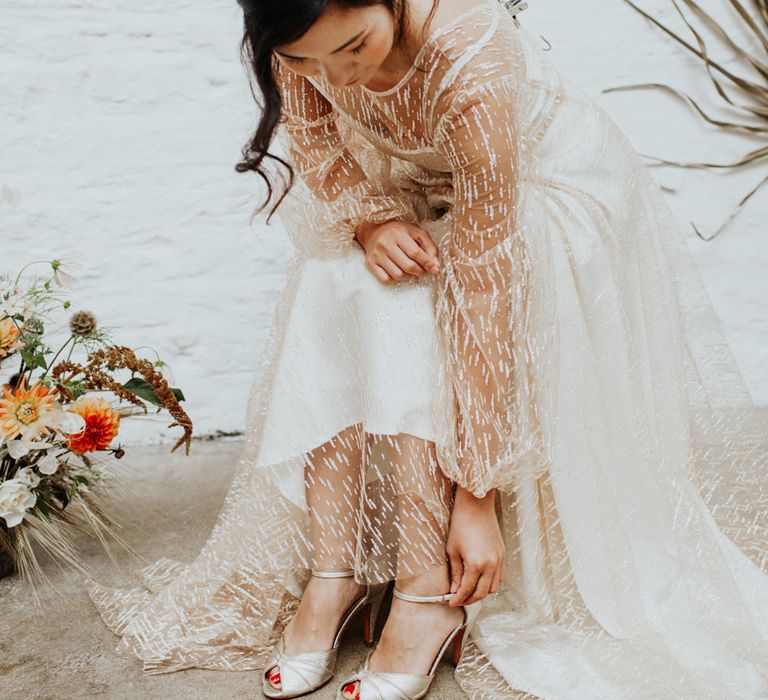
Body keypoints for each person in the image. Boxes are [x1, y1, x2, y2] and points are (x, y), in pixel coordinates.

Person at [86, 0, 768, 698]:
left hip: (543, 195)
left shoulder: (468, 48)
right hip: (423, 188)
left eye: (354, 46)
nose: (334, 76)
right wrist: (373, 221)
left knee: (408, 300)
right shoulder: (299, 39)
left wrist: (478, 493)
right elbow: (316, 140)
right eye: (304, 62)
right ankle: (336, 565)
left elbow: (484, 276)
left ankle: (425, 583)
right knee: (334, 278)